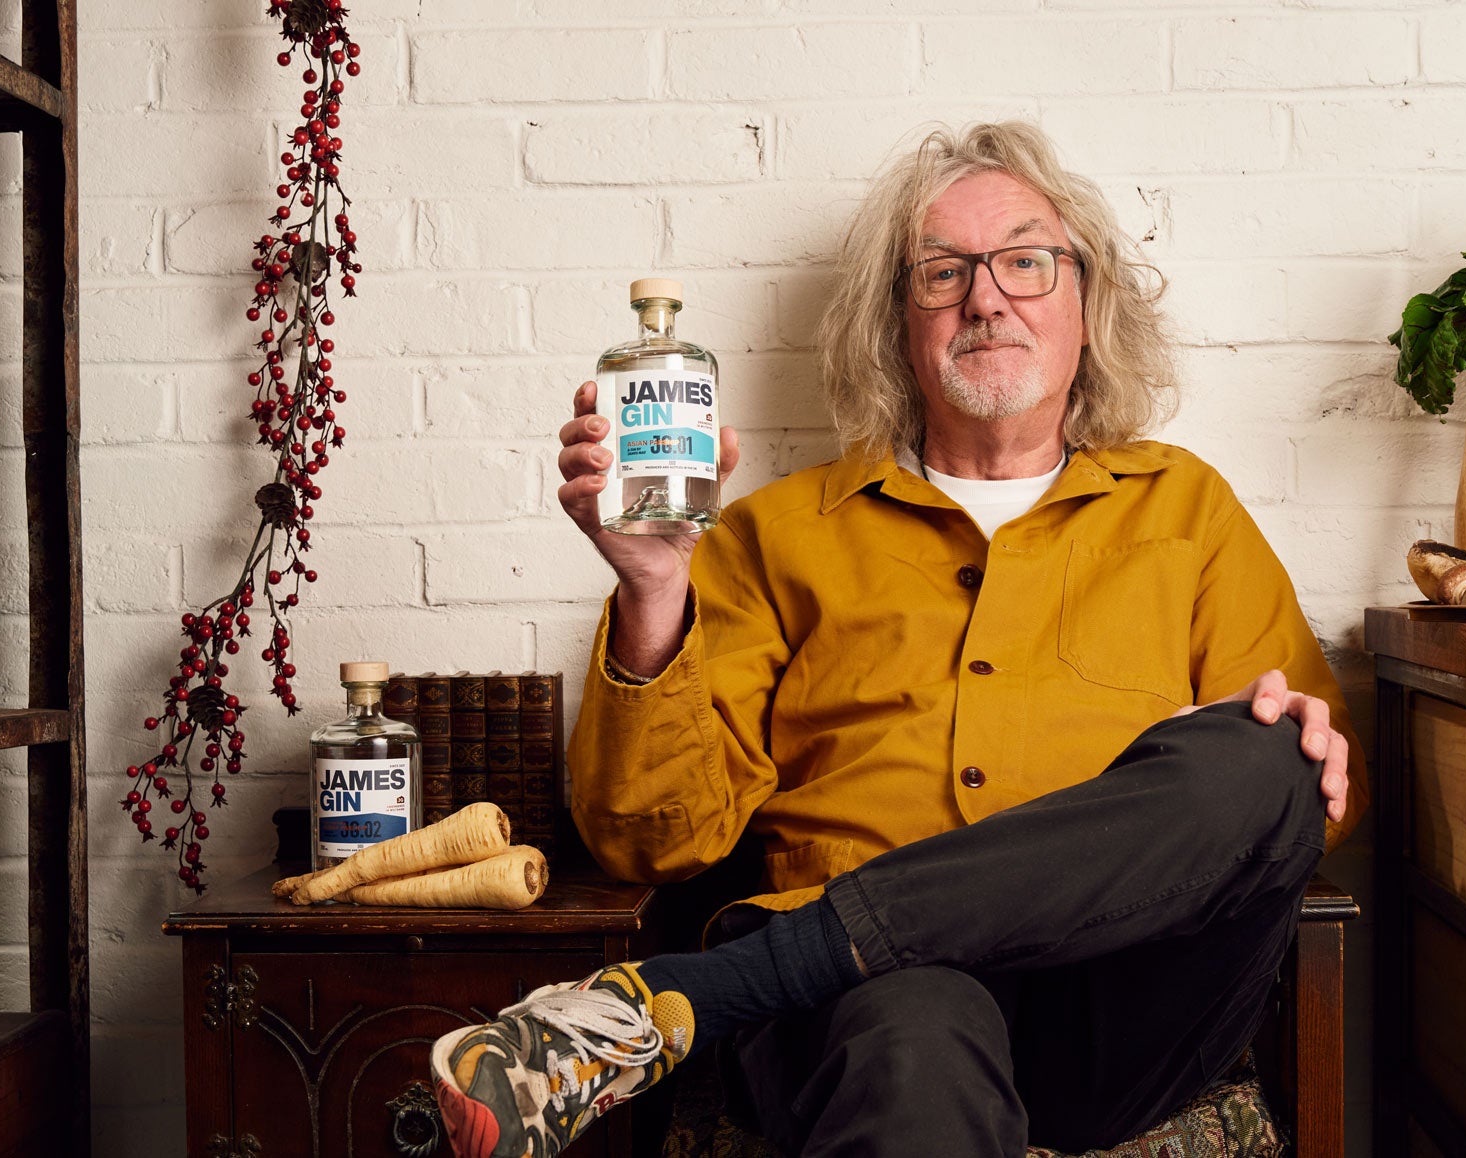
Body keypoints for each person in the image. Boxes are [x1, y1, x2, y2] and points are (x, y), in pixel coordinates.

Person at [430, 121, 1364, 1158]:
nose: (985, 295)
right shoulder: (776, 537)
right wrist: (653, 589)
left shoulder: (1186, 511)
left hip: (1116, 1010)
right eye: (941, 272)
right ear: (896, 320)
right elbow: (647, 842)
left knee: (1274, 753)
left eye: (1024, 260)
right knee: (915, 1038)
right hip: (872, 1017)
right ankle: (790, 975)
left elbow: (1308, 811)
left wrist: (1295, 753)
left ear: (1086, 303)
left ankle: (697, 994)